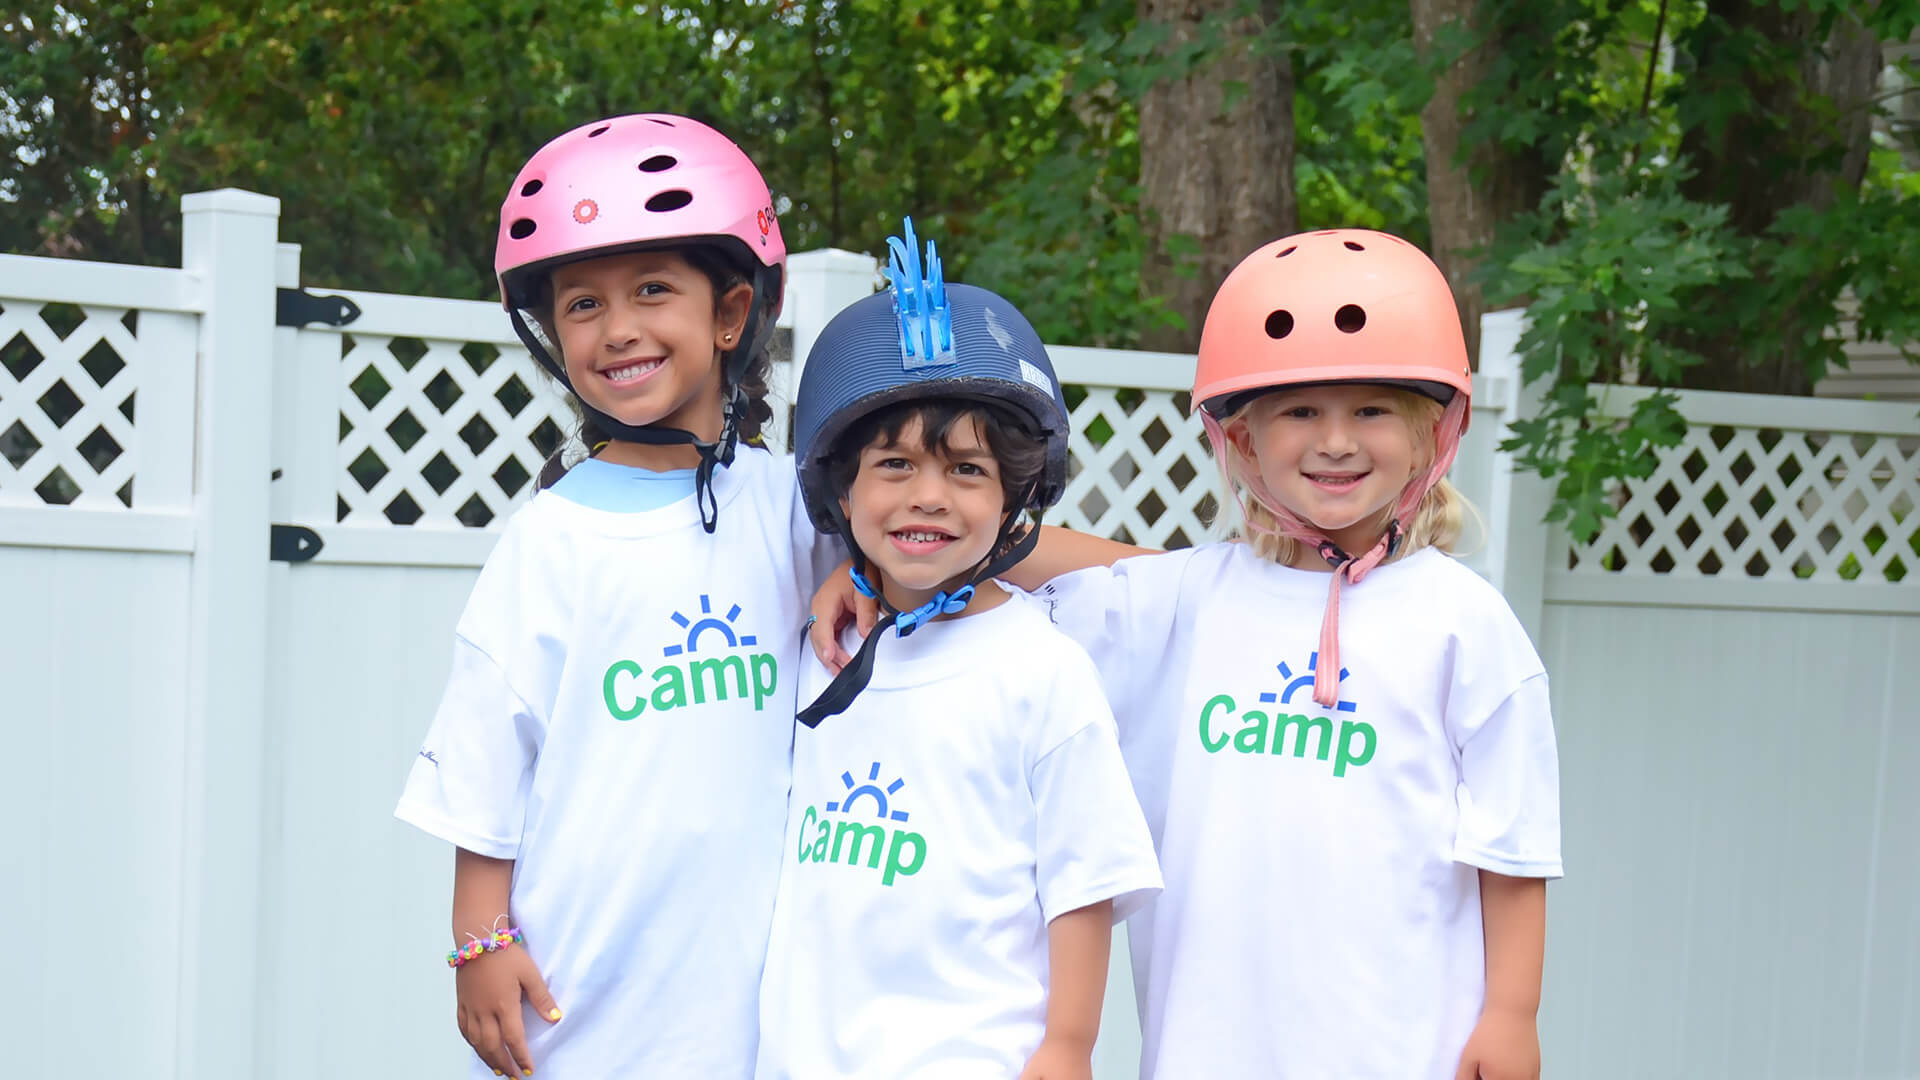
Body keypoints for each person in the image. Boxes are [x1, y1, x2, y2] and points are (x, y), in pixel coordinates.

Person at [812, 229, 1564, 1079]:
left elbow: (1513, 846)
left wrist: (1513, 1012)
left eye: (1371, 409)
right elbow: (1004, 546)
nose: (1336, 441)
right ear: (1242, 442)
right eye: (1302, 412)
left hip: (1406, 1047)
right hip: (1206, 1052)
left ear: (1437, 430)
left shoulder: (1464, 621)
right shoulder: (1192, 599)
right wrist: (865, 563)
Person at [394, 113, 840, 1079]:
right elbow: (485, 760)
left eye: (651, 289)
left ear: (730, 314)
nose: (619, 328)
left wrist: (1160, 569)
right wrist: (479, 941)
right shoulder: (553, 536)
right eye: (583, 304)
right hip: (578, 995)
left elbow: (955, 547)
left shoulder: (802, 505)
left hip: (758, 1003)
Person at [756, 220, 1162, 1080]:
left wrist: (1068, 1048)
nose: (929, 497)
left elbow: (1085, 882)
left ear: (1017, 496)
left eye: (968, 471)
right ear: (841, 489)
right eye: (894, 465)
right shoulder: (815, 644)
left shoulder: (1041, 669)